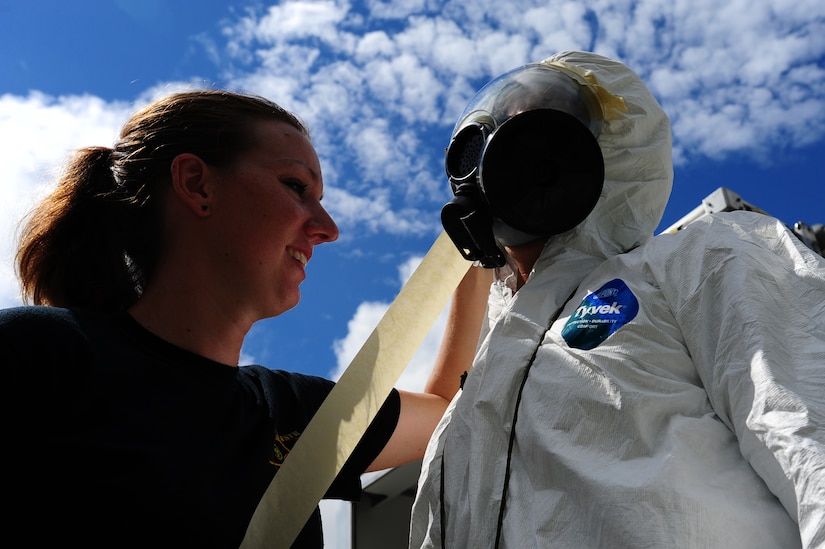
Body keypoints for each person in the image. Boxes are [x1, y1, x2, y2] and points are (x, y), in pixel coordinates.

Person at [0, 90, 466, 548]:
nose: (327, 228)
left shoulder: (300, 414)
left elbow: (449, 414)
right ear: (198, 184)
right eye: (296, 186)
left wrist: (474, 237)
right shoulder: (39, 355)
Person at [409, 51, 825, 548]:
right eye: (498, 125)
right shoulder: (469, 404)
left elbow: (807, 433)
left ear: (613, 150)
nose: (510, 138)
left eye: (542, 119)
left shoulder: (701, 258)